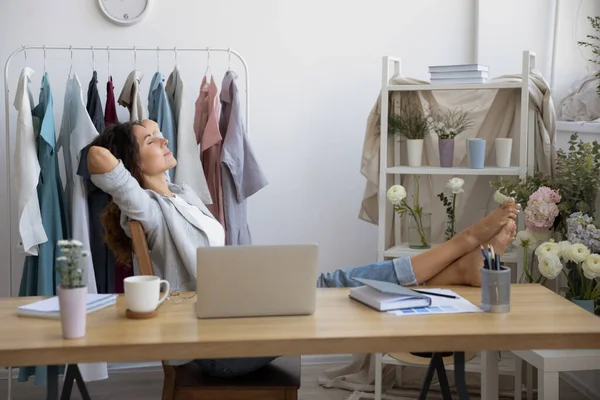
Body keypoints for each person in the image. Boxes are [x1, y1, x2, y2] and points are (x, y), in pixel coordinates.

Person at [87, 119, 519, 379]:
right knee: (338, 291)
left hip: (240, 321)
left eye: (161, 134)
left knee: (338, 288)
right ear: (132, 164)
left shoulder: (183, 195)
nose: (163, 141)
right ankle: (464, 246)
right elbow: (96, 159)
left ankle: (461, 267)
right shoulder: (147, 210)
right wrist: (125, 146)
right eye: (150, 141)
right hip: (218, 348)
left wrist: (142, 136)